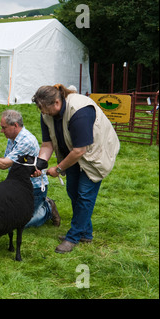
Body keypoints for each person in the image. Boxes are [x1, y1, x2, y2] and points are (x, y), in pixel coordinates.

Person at [32, 84, 120, 254]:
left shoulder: (80, 111)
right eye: (40, 109)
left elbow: (80, 150)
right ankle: (85, 233)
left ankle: (73, 237)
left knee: (85, 194)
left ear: (57, 102)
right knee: (73, 191)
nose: (43, 113)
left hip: (95, 153)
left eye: (45, 109)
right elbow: (47, 144)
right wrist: (39, 164)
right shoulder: (46, 115)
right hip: (71, 153)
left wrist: (57, 169)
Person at [0, 109, 60, 228]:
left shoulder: (26, 141)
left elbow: (4, 164)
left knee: (20, 223)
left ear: (15, 125)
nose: (1, 130)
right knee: (8, 216)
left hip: (33, 189)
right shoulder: (12, 137)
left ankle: (47, 208)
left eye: (4, 127)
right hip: (17, 187)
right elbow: (7, 162)